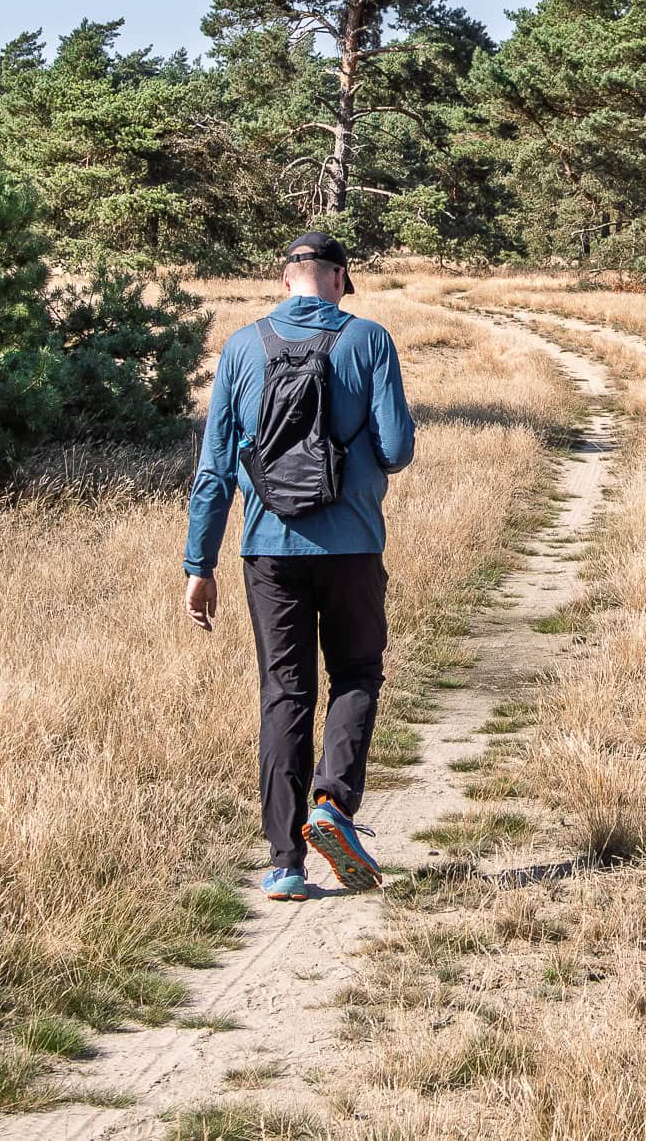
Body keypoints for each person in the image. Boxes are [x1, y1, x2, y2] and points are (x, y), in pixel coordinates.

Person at [184, 232, 416, 899]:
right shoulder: (368, 340)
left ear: (285, 280)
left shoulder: (241, 347)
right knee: (356, 673)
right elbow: (396, 449)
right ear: (340, 279)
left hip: (267, 548)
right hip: (352, 544)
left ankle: (286, 863)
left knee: (285, 692)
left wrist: (200, 563)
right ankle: (333, 803)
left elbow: (214, 469)